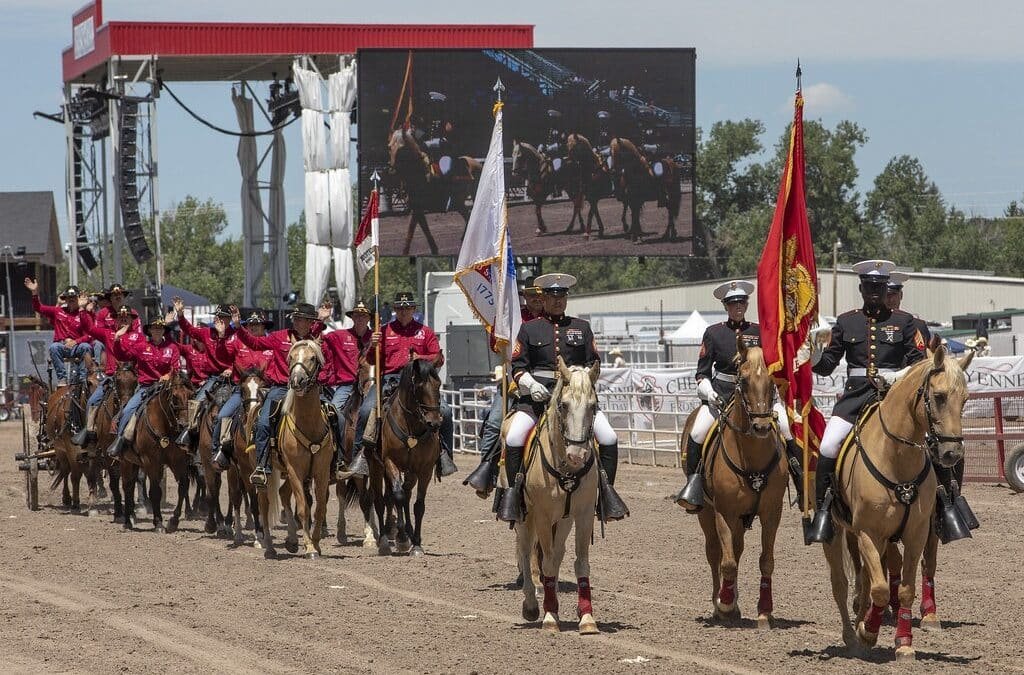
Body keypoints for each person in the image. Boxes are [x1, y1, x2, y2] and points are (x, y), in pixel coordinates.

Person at [804, 260, 926, 544]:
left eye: (879, 287)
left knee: (932, 442)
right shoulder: (846, 322)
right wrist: (811, 355)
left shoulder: (904, 322)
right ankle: (823, 511)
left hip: (894, 397)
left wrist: (896, 377)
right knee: (828, 445)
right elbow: (828, 364)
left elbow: (919, 361)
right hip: (856, 397)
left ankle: (947, 505)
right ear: (861, 288)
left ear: (886, 290)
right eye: (869, 287)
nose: (874, 292)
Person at [499, 273, 628, 523]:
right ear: (543, 298)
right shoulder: (528, 329)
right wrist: (529, 383)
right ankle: (514, 496)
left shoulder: (581, 327)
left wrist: (583, 377)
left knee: (609, 437)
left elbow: (594, 362)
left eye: (562, 296)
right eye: (552, 296)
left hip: (575, 400)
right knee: (514, 437)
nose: (558, 301)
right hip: (538, 399)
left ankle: (605, 496)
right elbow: (518, 366)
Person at [674, 280, 805, 512]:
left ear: (746, 304)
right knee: (697, 432)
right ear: (726, 306)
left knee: (786, 429)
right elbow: (701, 374)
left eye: (742, 302)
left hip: (758, 397)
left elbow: (774, 364)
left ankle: (802, 486)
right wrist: (710, 393)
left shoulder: (759, 332)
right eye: (733, 303)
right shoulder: (714, 333)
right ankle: (694, 487)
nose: (738, 307)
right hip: (722, 396)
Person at [350, 291, 456, 479]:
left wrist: (420, 359)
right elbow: (372, 361)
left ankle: (444, 455)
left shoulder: (425, 332)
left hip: (420, 382)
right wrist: (373, 347)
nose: (403, 312)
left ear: (414, 309)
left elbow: (438, 359)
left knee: (446, 412)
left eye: (407, 308)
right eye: (399, 308)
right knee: (366, 410)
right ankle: (360, 456)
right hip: (390, 379)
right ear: (395, 310)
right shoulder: (383, 331)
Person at [232, 302, 322, 487]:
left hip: (309, 389)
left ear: (310, 322)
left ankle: (338, 461)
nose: (297, 322)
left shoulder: (316, 339)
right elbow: (255, 343)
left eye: (301, 319)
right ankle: (263, 466)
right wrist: (238, 327)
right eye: (295, 319)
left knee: (336, 416)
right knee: (263, 421)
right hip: (281, 388)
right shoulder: (279, 337)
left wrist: (323, 319)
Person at [106, 315, 183, 457]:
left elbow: (176, 367)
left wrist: (168, 375)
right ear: (150, 331)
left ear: (164, 331)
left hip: (166, 388)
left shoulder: (172, 347)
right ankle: (120, 441)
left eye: (160, 328)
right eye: (154, 328)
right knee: (128, 411)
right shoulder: (141, 347)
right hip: (145, 388)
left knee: (184, 407)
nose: (157, 331)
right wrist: (117, 339)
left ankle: (188, 443)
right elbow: (122, 355)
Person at [209, 310, 274, 470]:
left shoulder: (271, 344)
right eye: (250, 324)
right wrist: (222, 336)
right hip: (242, 391)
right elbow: (222, 356)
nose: (253, 327)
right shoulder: (238, 342)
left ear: (263, 326)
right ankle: (219, 450)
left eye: (257, 324)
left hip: (266, 391)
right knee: (222, 415)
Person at [72, 303, 141, 447]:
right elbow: (89, 329)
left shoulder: (138, 337)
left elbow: (134, 355)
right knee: (92, 401)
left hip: (133, 378)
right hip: (112, 377)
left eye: (126, 317)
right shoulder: (108, 333)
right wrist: (83, 310)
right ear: (115, 320)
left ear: (132, 320)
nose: (123, 320)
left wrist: (119, 339)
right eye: (120, 317)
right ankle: (90, 434)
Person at [318, 299, 373, 479]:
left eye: (363, 316)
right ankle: (335, 456)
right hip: (346, 385)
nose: (360, 319)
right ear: (352, 318)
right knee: (332, 413)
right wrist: (321, 321)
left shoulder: (376, 338)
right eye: (356, 315)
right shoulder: (340, 336)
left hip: (371, 384)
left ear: (368, 319)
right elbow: (317, 340)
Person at [172, 300, 236, 445]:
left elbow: (240, 357)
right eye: (217, 317)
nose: (218, 320)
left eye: (223, 317)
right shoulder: (207, 333)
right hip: (213, 378)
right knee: (197, 403)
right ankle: (191, 439)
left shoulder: (235, 335)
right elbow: (189, 329)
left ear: (229, 319)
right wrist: (180, 314)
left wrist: (231, 369)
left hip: (233, 379)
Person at [25, 278, 92, 386]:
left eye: (74, 297)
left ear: (78, 298)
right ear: (65, 299)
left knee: (86, 347)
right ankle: (62, 379)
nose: (71, 299)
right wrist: (34, 292)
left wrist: (75, 342)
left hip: (77, 346)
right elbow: (38, 307)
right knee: (54, 347)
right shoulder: (58, 311)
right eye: (68, 297)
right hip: (62, 346)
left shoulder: (83, 314)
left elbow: (90, 335)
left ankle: (83, 378)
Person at [463, 365, 509, 497]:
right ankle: (487, 475)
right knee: (493, 425)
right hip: (512, 383)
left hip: (549, 382)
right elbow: (495, 346)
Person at [885, 272, 932, 349]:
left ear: (901, 295)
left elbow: (925, 356)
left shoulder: (917, 326)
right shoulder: (871, 324)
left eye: (894, 294)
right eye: (886, 295)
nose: (890, 299)